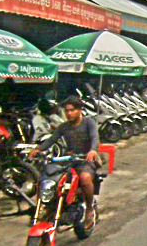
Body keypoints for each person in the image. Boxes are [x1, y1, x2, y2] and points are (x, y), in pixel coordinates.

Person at [31, 95, 101, 224]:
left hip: (86, 160)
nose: (69, 113)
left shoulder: (89, 123)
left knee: (85, 178)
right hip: (69, 159)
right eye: (67, 111)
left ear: (80, 110)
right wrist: (38, 149)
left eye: (72, 110)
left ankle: (89, 208)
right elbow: (52, 139)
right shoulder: (64, 126)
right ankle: (45, 208)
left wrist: (92, 150)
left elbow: (95, 138)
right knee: (46, 178)